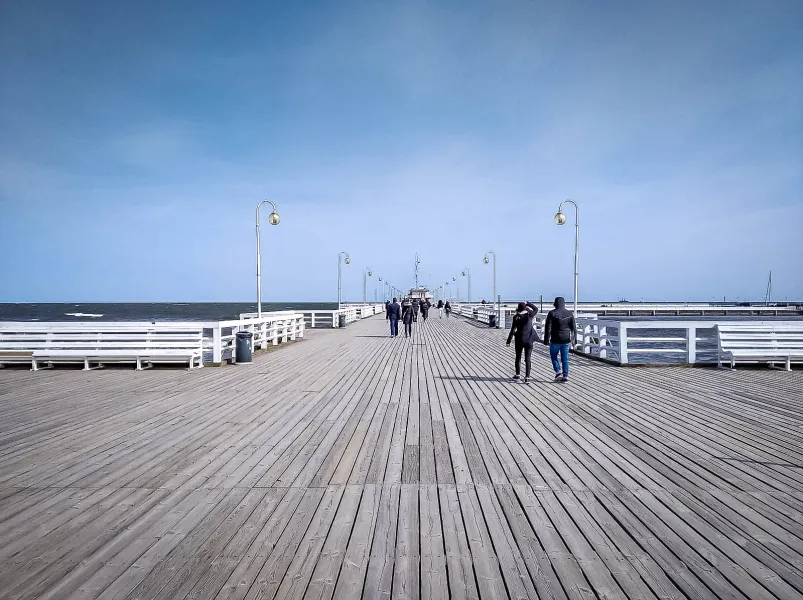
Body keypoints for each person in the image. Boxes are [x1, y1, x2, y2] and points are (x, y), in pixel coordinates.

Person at [543, 296, 576, 382]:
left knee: (553, 356)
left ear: (555, 303)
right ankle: (565, 376)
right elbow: (574, 329)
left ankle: (558, 371)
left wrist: (546, 340)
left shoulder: (552, 313)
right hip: (566, 339)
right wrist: (574, 342)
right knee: (565, 359)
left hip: (555, 339)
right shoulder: (569, 313)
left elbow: (548, 328)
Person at [506, 302, 538, 383]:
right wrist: (528, 303)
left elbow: (513, 330)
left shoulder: (516, 317)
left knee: (518, 357)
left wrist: (508, 341)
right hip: (529, 340)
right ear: (525, 308)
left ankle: (518, 375)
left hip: (519, 339)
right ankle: (527, 377)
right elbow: (536, 309)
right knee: (528, 359)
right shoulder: (529, 315)